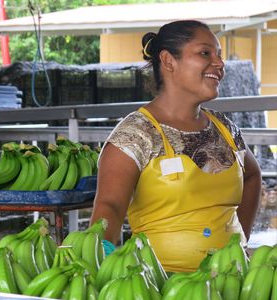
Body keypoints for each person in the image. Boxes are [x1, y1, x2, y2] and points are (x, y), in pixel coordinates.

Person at [89, 20, 262, 273]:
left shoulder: (225, 128)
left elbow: (253, 176)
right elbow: (110, 208)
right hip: (159, 285)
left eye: (219, 55)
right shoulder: (134, 134)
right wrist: (99, 261)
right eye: (205, 53)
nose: (220, 63)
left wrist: (238, 240)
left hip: (232, 281)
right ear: (169, 61)